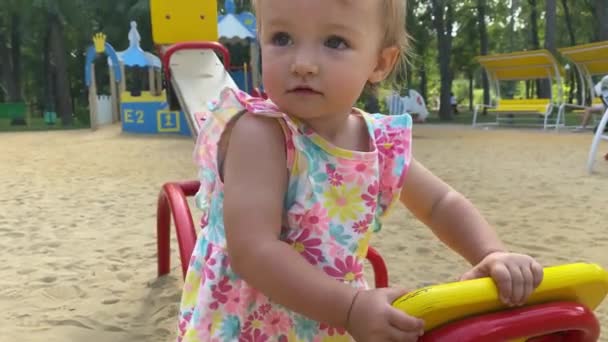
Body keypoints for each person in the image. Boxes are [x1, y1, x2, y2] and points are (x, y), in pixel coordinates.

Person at [177, 1, 544, 341]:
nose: (302, 62)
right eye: (282, 38)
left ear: (380, 63)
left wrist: (489, 253)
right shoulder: (260, 134)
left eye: (334, 42)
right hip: (248, 324)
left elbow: (441, 203)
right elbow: (254, 250)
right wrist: (350, 308)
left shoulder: (380, 143)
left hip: (329, 320)